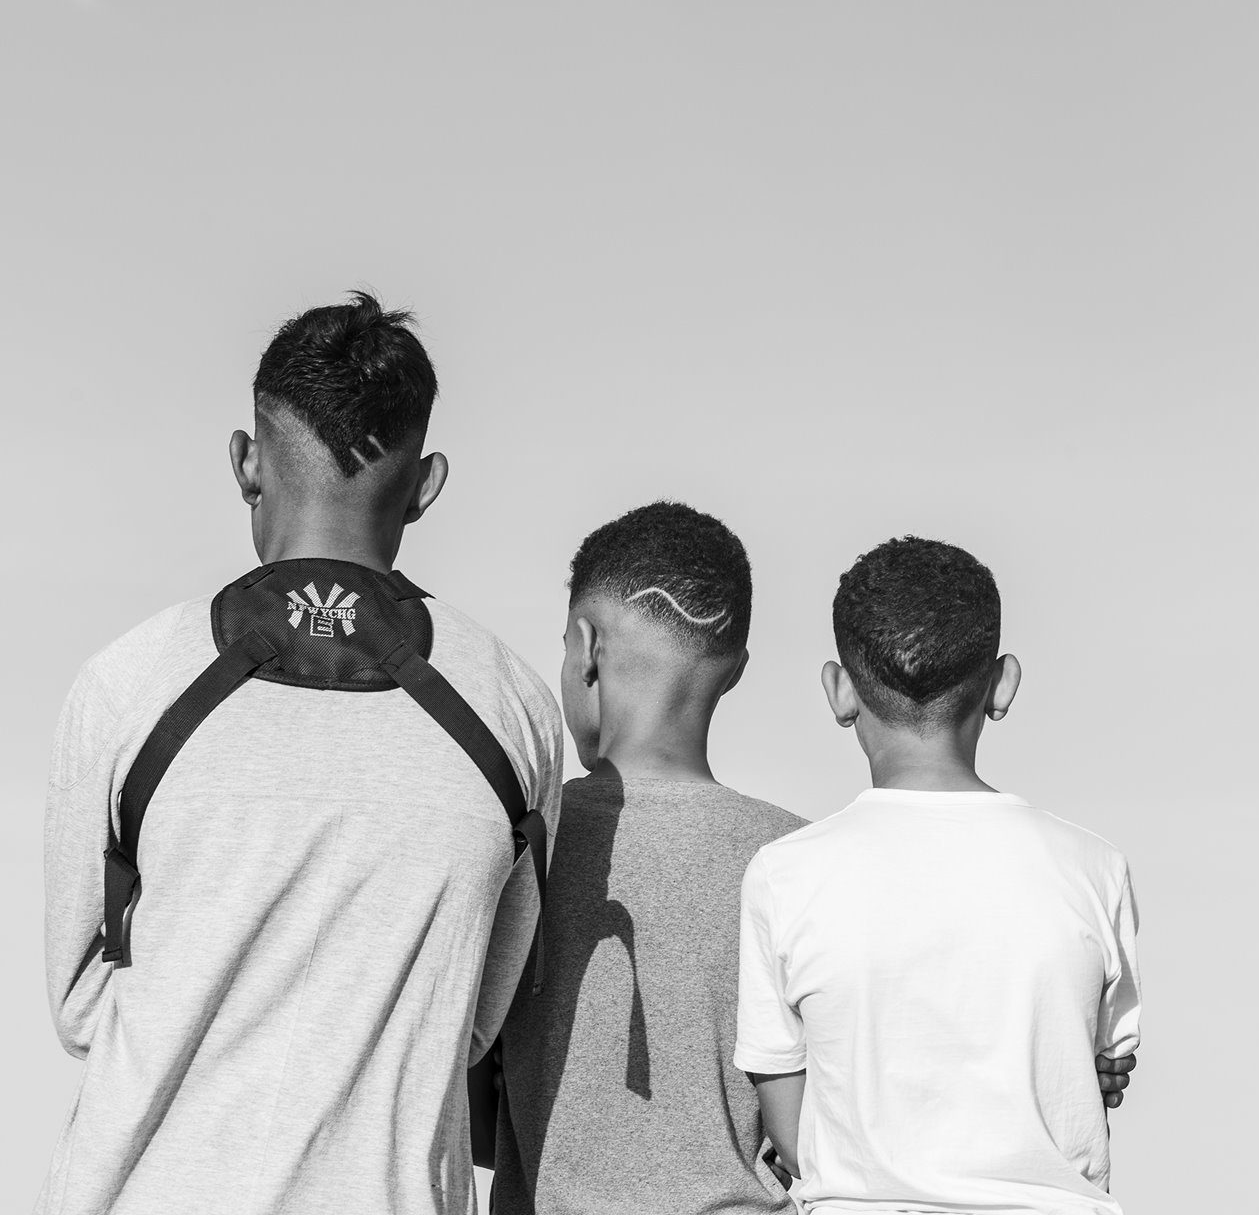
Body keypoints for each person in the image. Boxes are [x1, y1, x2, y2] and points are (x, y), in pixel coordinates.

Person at [39, 292, 562, 1215]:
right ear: (430, 482)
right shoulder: (515, 708)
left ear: (246, 462)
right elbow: (477, 1022)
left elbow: (83, 1005)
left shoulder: (127, 683)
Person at [735, 535, 1141, 1215]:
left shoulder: (785, 874)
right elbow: (1102, 1066)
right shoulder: (1094, 867)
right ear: (1003, 682)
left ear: (839, 690)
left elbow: (786, 1105)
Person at [483, 500, 805, 1214]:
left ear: (586, 644)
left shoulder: (523, 843)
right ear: (736, 672)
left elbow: (465, 1095)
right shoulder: (802, 861)